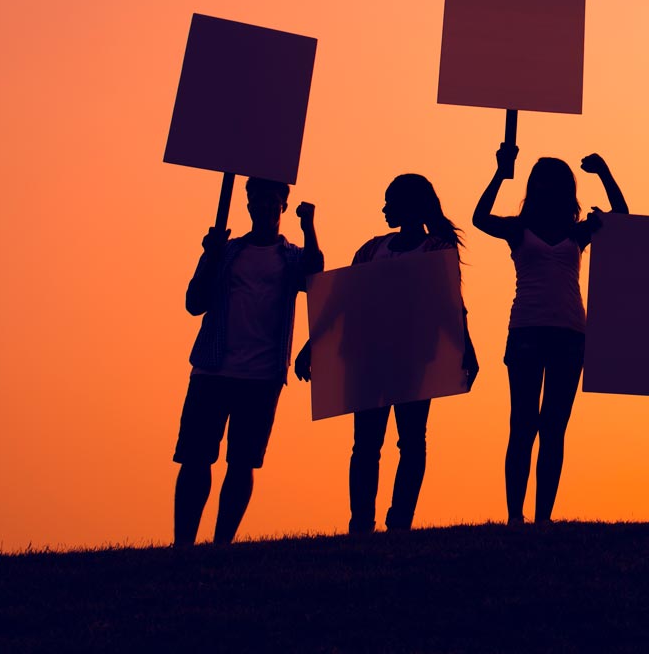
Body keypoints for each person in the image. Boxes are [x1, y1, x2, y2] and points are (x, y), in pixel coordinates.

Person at [296, 174, 474, 534]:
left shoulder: (436, 250)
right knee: (365, 444)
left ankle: (400, 521)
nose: (384, 208)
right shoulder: (371, 249)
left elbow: (451, 304)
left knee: (410, 440)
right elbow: (341, 300)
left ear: (410, 205)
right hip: (367, 359)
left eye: (390, 201)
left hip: (414, 358)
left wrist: (465, 348)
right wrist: (310, 344)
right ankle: (361, 522)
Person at [474, 145, 628, 524]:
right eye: (540, 179)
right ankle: (515, 516)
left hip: (570, 333)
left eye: (553, 180)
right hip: (526, 328)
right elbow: (479, 218)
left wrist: (605, 171)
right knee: (523, 424)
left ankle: (543, 517)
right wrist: (499, 172)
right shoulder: (518, 228)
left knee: (554, 428)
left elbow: (622, 219)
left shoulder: (578, 231)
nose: (546, 185)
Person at [175, 177, 322, 547]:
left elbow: (316, 279)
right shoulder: (226, 252)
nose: (263, 208)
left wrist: (310, 228)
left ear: (282, 206)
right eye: (256, 201)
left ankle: (222, 543)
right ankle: (183, 544)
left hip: (261, 375)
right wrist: (209, 254)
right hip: (212, 368)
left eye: (271, 201)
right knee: (195, 458)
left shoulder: (290, 256)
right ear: (248, 205)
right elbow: (195, 302)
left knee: (242, 462)